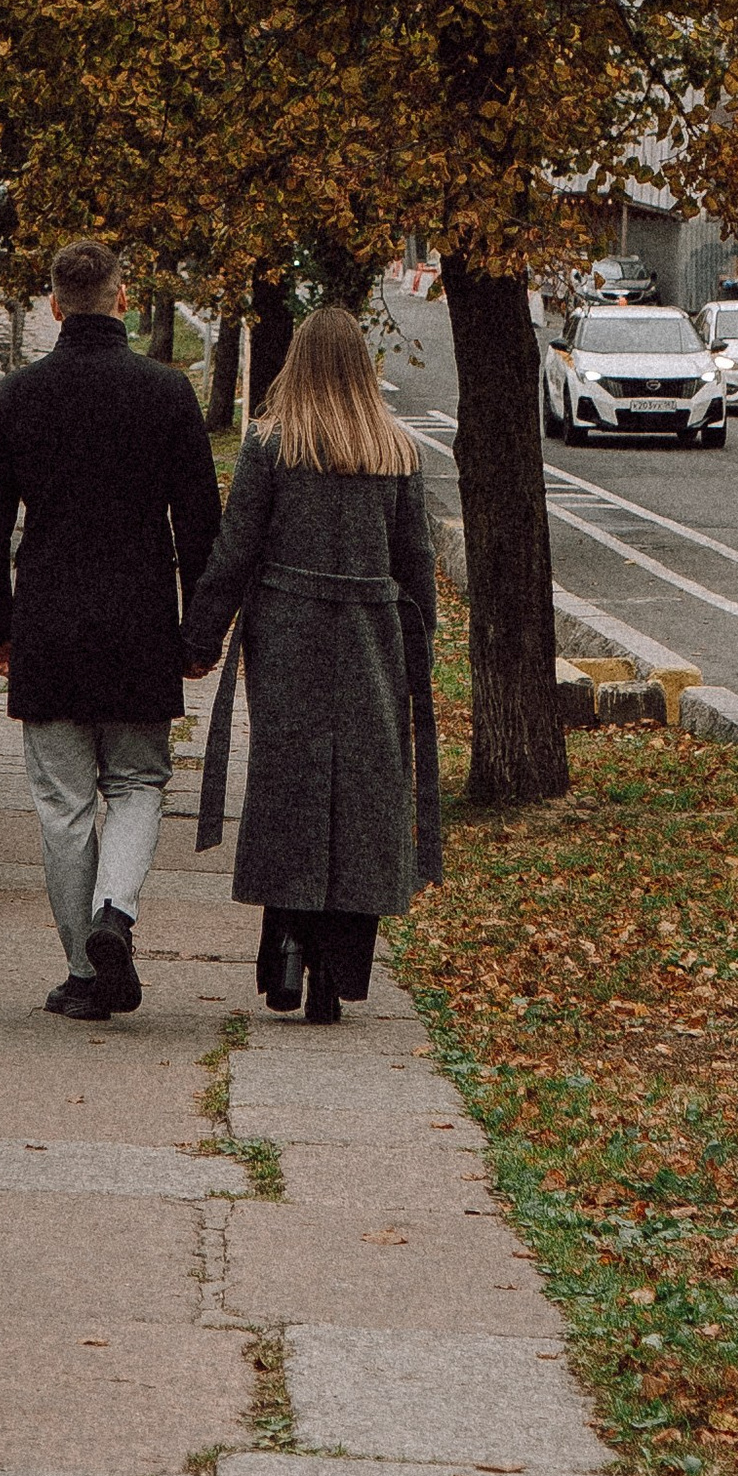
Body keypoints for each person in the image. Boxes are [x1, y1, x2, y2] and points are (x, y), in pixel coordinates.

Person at [0, 236, 223, 1021]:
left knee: (62, 803)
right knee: (141, 782)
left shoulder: (17, 396)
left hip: (48, 622)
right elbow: (200, 525)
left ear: (53, 306)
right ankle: (117, 910)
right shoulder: (167, 394)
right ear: (121, 298)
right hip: (141, 621)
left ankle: (83, 973)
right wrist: (201, 631)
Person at [180, 306, 439, 1026]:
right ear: (364, 369)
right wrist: (421, 659)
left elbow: (235, 550)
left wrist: (200, 636)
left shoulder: (270, 445)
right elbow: (416, 565)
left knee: (286, 781)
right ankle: (339, 969)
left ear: (296, 363)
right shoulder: (396, 452)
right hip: (371, 634)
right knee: (364, 794)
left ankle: (287, 945)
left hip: (288, 630)